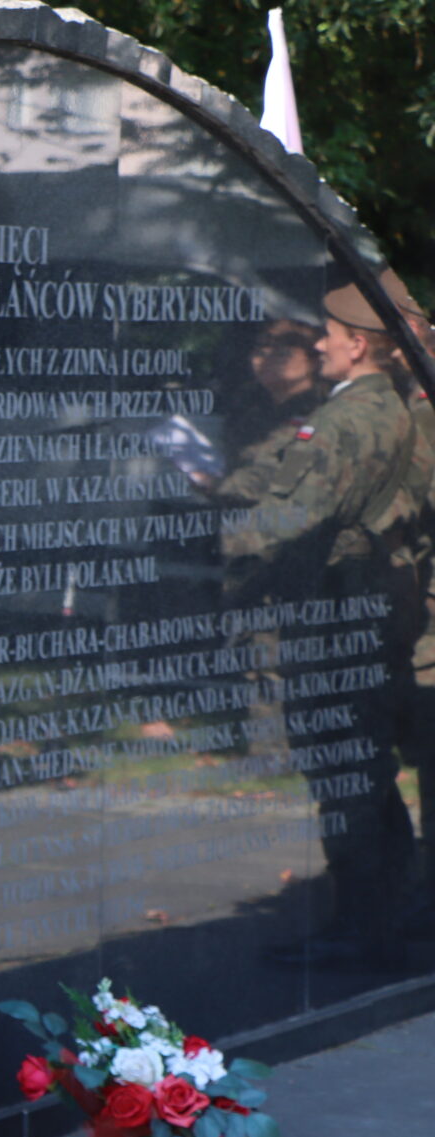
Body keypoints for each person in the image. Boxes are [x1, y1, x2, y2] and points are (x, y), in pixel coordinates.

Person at [220, 279, 420, 969]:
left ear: (358, 344)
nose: (320, 345)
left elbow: (289, 516)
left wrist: (222, 544)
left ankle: (359, 926)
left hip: (332, 611)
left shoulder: (343, 419)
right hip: (372, 607)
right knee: (366, 771)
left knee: (342, 774)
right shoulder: (396, 407)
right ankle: (379, 918)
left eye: (329, 336)